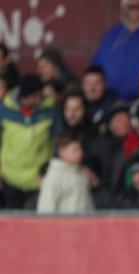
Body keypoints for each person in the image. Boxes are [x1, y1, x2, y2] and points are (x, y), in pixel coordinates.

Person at [0, 74, 59, 209]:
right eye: (36, 95)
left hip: (38, 178)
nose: (40, 98)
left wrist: (48, 171)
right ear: (25, 96)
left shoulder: (50, 111)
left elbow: (58, 142)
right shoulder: (4, 111)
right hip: (10, 177)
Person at [37, 133, 93, 214]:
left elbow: (88, 203)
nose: (79, 153)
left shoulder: (81, 173)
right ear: (61, 152)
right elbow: (46, 209)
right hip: (63, 225)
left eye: (80, 149)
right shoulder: (53, 177)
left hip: (85, 224)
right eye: (74, 150)